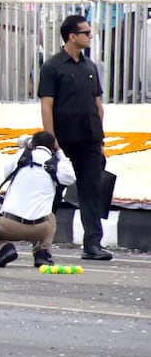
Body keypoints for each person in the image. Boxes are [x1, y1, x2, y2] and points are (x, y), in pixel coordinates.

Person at [38, 14, 112, 261]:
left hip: (89, 139)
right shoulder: (52, 67)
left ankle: (93, 244)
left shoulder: (90, 67)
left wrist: (99, 140)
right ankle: (42, 246)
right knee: (53, 193)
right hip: (64, 140)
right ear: (72, 36)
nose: (90, 37)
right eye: (86, 33)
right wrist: (51, 141)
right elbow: (47, 106)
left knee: (91, 191)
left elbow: (98, 105)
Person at [0, 131, 76, 268]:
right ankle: (42, 254)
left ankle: (3, 249)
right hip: (40, 228)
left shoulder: (22, 156)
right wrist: (59, 152)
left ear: (33, 144)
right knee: (50, 216)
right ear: (53, 148)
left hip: (9, 226)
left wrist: (23, 148)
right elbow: (70, 178)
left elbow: (7, 173)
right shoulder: (57, 164)